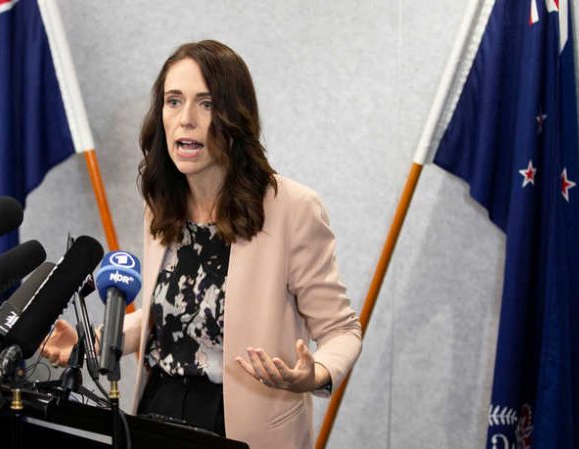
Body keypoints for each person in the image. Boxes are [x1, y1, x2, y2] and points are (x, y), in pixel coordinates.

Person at [42, 39, 362, 449]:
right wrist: (95, 341)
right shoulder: (162, 205)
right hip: (156, 411)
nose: (186, 119)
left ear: (234, 116)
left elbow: (342, 330)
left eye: (206, 103)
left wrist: (314, 373)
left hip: (243, 425)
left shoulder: (292, 208)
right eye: (173, 101)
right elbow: (170, 315)